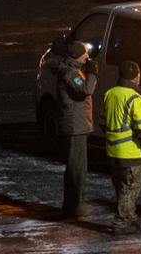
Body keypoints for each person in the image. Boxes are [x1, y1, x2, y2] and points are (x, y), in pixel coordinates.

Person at [103, 60, 141, 235]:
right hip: (130, 152)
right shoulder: (135, 98)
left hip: (112, 151)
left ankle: (130, 218)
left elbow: (103, 121)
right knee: (130, 189)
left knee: (121, 188)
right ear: (136, 76)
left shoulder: (109, 93)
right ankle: (122, 222)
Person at [57, 40, 98, 218]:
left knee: (78, 168)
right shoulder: (69, 73)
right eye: (84, 54)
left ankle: (73, 205)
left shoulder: (72, 70)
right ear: (76, 56)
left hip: (78, 125)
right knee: (77, 169)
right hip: (75, 127)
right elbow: (85, 89)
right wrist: (92, 74)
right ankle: (74, 207)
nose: (87, 57)